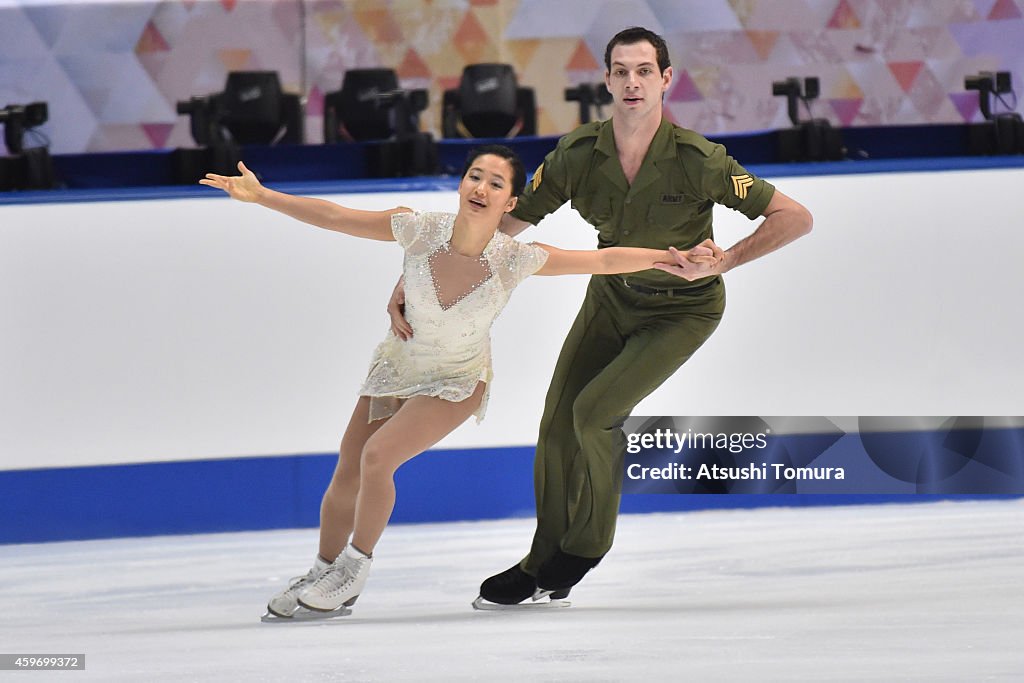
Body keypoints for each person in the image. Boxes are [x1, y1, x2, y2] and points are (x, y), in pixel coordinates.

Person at [386, 27, 814, 607]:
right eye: (620, 71)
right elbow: (502, 227)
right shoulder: (578, 155)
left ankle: (586, 547)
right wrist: (417, 279)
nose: (632, 82)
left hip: (682, 312)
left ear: (666, 78)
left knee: (593, 414)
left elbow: (795, 217)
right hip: (610, 300)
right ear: (607, 79)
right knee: (556, 422)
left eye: (644, 70)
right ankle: (542, 564)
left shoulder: (701, 160)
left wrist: (727, 261)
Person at [199, 145, 719, 619]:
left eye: (495, 183)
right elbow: (336, 217)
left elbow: (603, 259)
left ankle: (354, 573)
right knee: (348, 468)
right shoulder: (418, 230)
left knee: (379, 457)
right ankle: (323, 568)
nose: (481, 188)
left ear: (510, 200)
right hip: (399, 365)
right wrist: (263, 196)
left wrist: (668, 259)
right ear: (461, 185)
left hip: (455, 380)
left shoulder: (514, 259)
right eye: (474, 176)